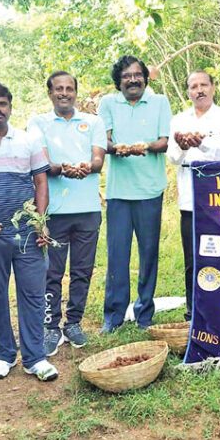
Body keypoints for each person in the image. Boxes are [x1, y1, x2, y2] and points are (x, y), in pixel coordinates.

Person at [0, 82, 59, 382]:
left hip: (27, 233)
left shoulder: (28, 140)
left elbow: (41, 182)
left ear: (10, 107)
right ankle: (4, 353)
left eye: (2, 103)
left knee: (32, 293)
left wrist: (40, 221)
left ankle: (35, 358)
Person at [28, 71, 106, 356]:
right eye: (58, 89)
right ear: (50, 93)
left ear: (76, 92)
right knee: (52, 271)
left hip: (87, 209)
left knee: (82, 271)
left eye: (69, 88)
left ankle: (73, 322)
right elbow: (43, 162)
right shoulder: (38, 123)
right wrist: (63, 168)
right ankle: (51, 326)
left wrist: (87, 166)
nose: (64, 93)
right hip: (54, 211)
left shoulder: (94, 121)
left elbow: (98, 159)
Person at [98, 56, 171, 332]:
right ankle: (113, 316)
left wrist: (145, 147)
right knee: (117, 254)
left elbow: (164, 142)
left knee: (149, 253)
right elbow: (103, 141)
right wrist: (117, 148)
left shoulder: (159, 102)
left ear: (145, 78)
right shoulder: (108, 103)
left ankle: (144, 313)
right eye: (126, 75)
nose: (132, 79)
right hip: (118, 192)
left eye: (137, 74)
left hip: (150, 189)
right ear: (119, 80)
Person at [168, 71, 220, 320]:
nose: (199, 90)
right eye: (193, 86)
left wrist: (201, 144)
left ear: (213, 87)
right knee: (192, 259)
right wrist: (183, 146)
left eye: (203, 85)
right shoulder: (178, 119)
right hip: (189, 202)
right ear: (188, 91)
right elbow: (172, 158)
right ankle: (193, 311)